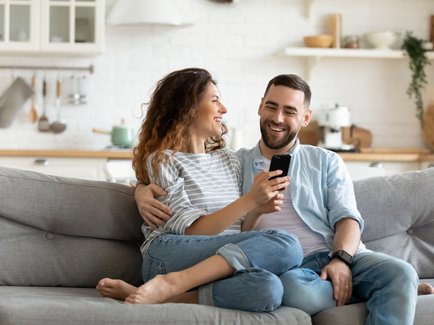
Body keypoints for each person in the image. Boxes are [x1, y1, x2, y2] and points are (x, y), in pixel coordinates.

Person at [136, 73, 428, 324]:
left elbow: (348, 219)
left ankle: (392, 285)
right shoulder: (236, 163)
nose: (277, 118)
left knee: (401, 271)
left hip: (340, 255)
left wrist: (340, 260)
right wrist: (139, 191)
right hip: (293, 270)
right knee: (292, 291)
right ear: (260, 108)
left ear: (305, 117)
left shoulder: (326, 160)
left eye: (290, 111)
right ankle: (384, 290)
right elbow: (181, 174)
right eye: (271, 107)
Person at [96, 68, 304, 312]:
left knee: (269, 289)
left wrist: (257, 209)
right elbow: (193, 232)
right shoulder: (164, 160)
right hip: (169, 255)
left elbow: (238, 230)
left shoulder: (230, 160)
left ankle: (166, 293)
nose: (223, 109)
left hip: (217, 262)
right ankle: (172, 281)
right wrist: (249, 201)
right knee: (288, 245)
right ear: (188, 107)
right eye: (214, 100)